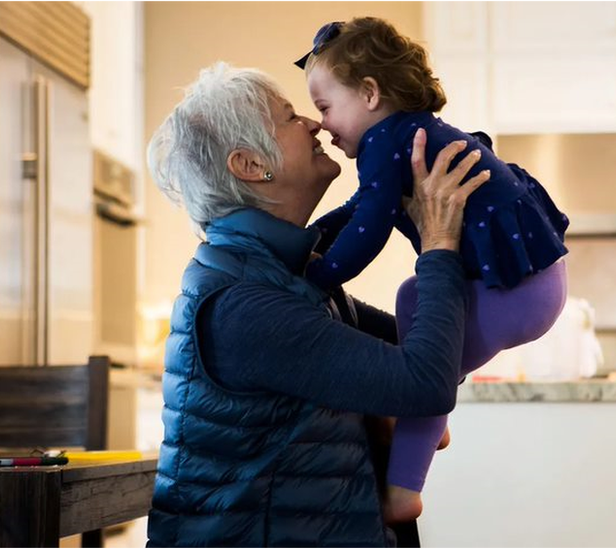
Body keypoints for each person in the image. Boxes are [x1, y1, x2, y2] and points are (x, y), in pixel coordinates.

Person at [144, 62, 488, 549]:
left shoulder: (286, 275)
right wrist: (438, 242)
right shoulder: (241, 304)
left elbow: (439, 355)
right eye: (288, 118)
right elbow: (426, 383)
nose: (314, 123)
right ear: (249, 166)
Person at [295, 16, 570, 521]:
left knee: (425, 374)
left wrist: (322, 273)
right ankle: (428, 422)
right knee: (413, 297)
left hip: (518, 290)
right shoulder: (405, 134)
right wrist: (311, 241)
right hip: (531, 283)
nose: (324, 126)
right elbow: (361, 207)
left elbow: (371, 226)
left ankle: (404, 490)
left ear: (370, 94)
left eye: (325, 108)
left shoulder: (384, 142)